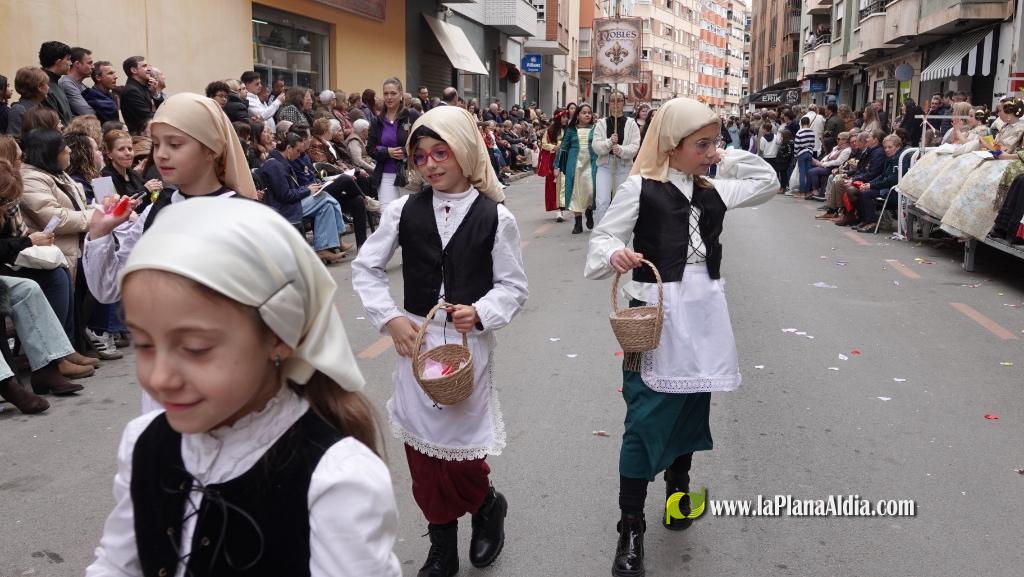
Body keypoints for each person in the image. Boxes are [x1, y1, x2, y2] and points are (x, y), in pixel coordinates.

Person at [84, 196, 401, 577]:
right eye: (143, 344)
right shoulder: (144, 441)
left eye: (195, 348)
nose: (160, 378)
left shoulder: (336, 479)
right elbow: (117, 563)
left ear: (278, 336)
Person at [584, 97, 777, 577]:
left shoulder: (714, 189)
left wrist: (726, 154)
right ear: (671, 145)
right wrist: (615, 256)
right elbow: (604, 238)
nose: (711, 152)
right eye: (701, 144)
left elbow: (767, 182)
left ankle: (677, 492)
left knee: (692, 406)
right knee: (643, 417)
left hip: (704, 313)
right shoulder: (640, 188)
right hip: (655, 313)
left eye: (714, 142)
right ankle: (631, 526)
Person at [352, 105, 524, 577]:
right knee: (423, 454)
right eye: (420, 156)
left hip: (468, 348)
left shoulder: (496, 217)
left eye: (440, 153)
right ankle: (443, 547)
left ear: (464, 152)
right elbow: (366, 268)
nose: (429, 165)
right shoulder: (402, 210)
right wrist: (390, 319)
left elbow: (512, 286)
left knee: (463, 452)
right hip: (417, 343)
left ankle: (486, 504)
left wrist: (482, 312)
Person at [83, 93, 258, 309]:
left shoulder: (242, 216)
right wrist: (100, 233)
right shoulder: (158, 210)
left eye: (174, 144)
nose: (161, 155)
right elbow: (110, 288)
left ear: (211, 150)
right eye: (156, 144)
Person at [367, 77, 419, 210]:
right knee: (387, 215)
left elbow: (421, 141)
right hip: (385, 175)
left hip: (408, 175)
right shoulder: (377, 121)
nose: (389, 97)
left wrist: (405, 151)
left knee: (408, 216)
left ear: (401, 94)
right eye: (386, 93)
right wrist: (387, 152)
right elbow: (370, 149)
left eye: (393, 93)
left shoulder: (412, 116)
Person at [593, 91, 641, 226]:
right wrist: (609, 142)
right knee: (602, 200)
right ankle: (601, 231)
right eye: (613, 100)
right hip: (605, 165)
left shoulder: (631, 124)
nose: (616, 104)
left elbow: (634, 147)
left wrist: (620, 150)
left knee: (621, 202)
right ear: (609, 103)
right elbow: (596, 146)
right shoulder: (601, 123)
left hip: (624, 166)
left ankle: (618, 231)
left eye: (619, 100)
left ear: (623, 103)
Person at [556, 103, 598, 234]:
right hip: (574, 165)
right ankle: (578, 223)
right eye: (584, 113)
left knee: (591, 190)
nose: (587, 115)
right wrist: (558, 166)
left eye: (589, 113)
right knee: (576, 193)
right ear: (578, 115)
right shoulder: (571, 130)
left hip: (591, 164)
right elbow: (563, 148)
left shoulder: (596, 129)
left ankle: (589, 212)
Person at [120, 56, 162, 134]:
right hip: (140, 136)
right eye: (144, 66)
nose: (149, 69)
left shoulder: (145, 86)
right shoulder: (131, 91)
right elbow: (147, 116)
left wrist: (155, 94)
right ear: (134, 70)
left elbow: (161, 107)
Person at [6, 67, 49, 141]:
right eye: (46, 84)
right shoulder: (18, 110)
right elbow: (14, 140)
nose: (48, 87)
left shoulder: (39, 106)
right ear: (39, 87)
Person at [541, 109, 569, 221]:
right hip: (553, 160)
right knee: (553, 185)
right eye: (563, 117)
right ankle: (558, 210)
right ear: (558, 118)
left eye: (567, 117)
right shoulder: (550, 130)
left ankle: (562, 208)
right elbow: (544, 144)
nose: (566, 119)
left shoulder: (569, 130)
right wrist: (554, 147)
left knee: (564, 184)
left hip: (566, 159)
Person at [38, 41, 73, 125]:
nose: (71, 63)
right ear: (58, 62)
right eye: (68, 59)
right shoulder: (44, 86)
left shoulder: (55, 83)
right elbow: (55, 122)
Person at [58, 46, 95, 118]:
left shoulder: (84, 86)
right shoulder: (66, 83)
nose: (93, 67)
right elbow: (87, 112)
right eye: (89, 63)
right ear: (77, 64)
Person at [794, 116, 816, 197]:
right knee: (808, 172)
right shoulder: (812, 132)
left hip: (801, 153)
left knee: (802, 172)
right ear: (809, 123)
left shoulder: (799, 132)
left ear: (801, 123)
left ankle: (802, 191)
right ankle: (807, 190)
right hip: (809, 152)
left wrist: (795, 154)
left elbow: (796, 145)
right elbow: (813, 144)